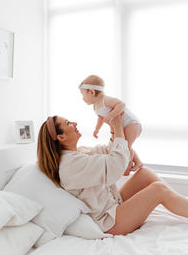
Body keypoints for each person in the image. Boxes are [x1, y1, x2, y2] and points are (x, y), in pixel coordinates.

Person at [37, 114, 188, 236]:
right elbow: (116, 165)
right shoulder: (70, 164)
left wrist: (113, 130)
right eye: (68, 123)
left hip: (114, 205)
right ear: (61, 137)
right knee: (158, 190)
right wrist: (117, 127)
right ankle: (178, 203)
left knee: (145, 173)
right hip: (110, 223)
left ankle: (179, 203)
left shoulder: (78, 152)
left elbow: (109, 151)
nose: (75, 123)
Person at [79, 74, 143, 175]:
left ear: (92, 92)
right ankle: (138, 162)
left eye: (83, 94)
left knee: (125, 148)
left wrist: (111, 116)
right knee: (125, 145)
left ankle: (127, 167)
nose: (82, 98)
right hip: (123, 126)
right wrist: (97, 129)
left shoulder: (105, 100)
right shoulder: (95, 106)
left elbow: (121, 104)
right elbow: (100, 119)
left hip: (131, 123)